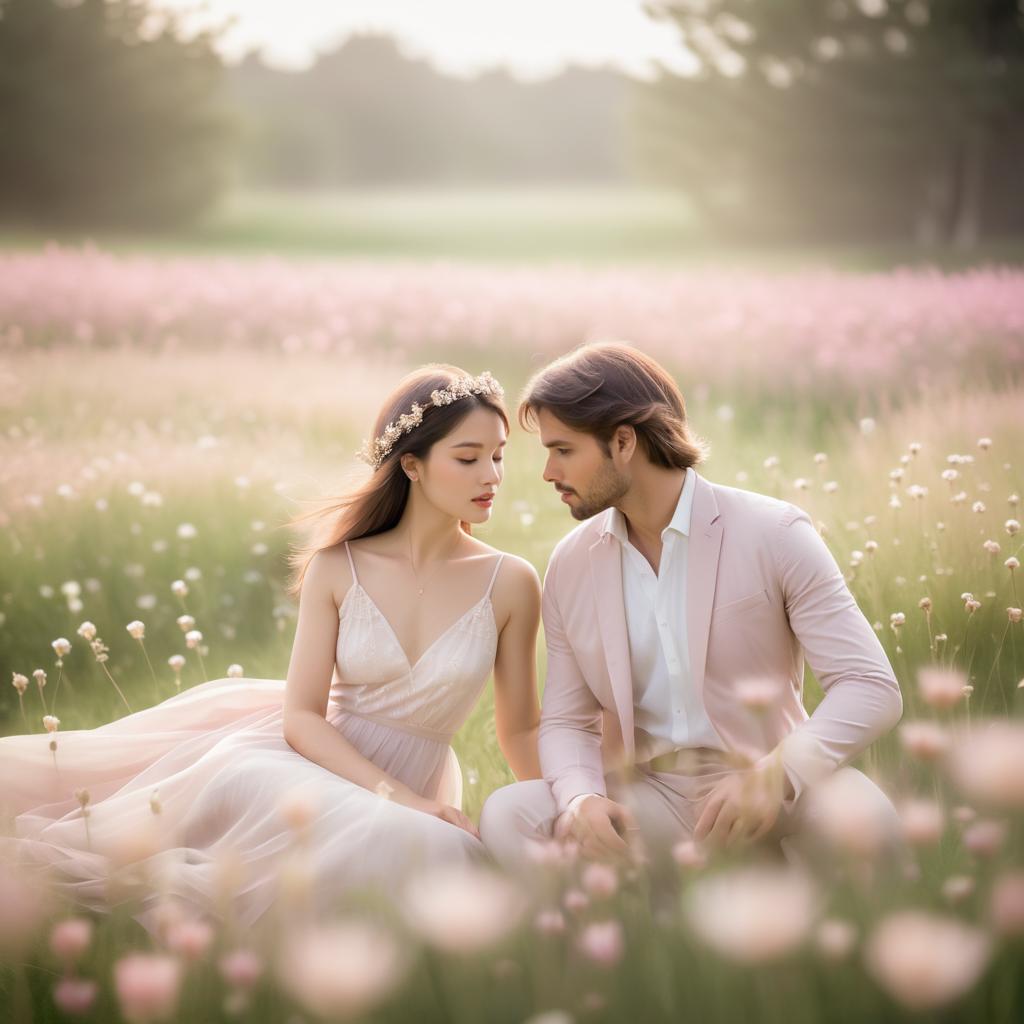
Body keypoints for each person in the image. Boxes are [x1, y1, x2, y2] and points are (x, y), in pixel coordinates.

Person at [0, 365, 542, 926]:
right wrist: (406, 802)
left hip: (417, 779)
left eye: (499, 455)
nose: (493, 475)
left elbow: (520, 728)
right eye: (469, 457)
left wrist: (566, 805)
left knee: (444, 856)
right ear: (412, 465)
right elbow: (302, 719)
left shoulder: (511, 582)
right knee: (243, 825)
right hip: (309, 762)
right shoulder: (339, 567)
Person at [480, 342, 904, 872]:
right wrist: (581, 799)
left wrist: (776, 778)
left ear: (623, 441)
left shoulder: (775, 532)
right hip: (650, 797)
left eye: (563, 450)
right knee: (509, 814)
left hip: (781, 787)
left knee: (867, 817)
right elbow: (568, 721)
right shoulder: (571, 563)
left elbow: (871, 687)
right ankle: (612, 944)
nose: (548, 471)